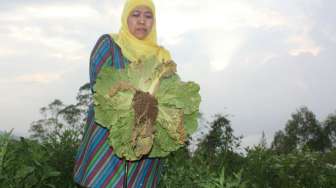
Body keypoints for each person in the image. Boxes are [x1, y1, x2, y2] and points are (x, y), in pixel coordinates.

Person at [73, 0, 172, 187]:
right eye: (135, 15)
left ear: (154, 21)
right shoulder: (109, 45)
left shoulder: (162, 58)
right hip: (107, 142)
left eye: (148, 16)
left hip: (146, 149)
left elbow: (170, 99)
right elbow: (100, 89)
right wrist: (139, 103)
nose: (142, 21)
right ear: (126, 17)